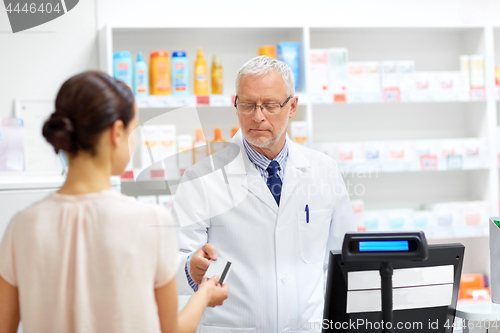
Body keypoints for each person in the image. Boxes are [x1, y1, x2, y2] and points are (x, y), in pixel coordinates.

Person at [0, 71, 228, 333]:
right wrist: (205, 295)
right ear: (117, 132)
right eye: (134, 129)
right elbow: (171, 330)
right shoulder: (149, 221)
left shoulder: (22, 225)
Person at [173, 56, 356, 332]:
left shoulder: (324, 171)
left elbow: (344, 261)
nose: (257, 116)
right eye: (247, 105)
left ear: (292, 106)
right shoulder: (201, 178)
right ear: (235, 104)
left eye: (270, 105)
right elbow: (173, 262)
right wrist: (190, 267)